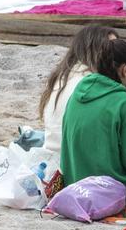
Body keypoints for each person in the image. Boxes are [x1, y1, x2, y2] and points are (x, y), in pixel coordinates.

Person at [60, 38, 126, 192]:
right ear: (124, 69)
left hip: (73, 184)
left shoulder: (77, 92)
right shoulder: (125, 103)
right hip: (108, 190)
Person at [38, 25, 117, 172]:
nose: (117, 52)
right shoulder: (89, 83)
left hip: (51, 157)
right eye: (111, 47)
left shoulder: (65, 75)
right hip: (70, 164)